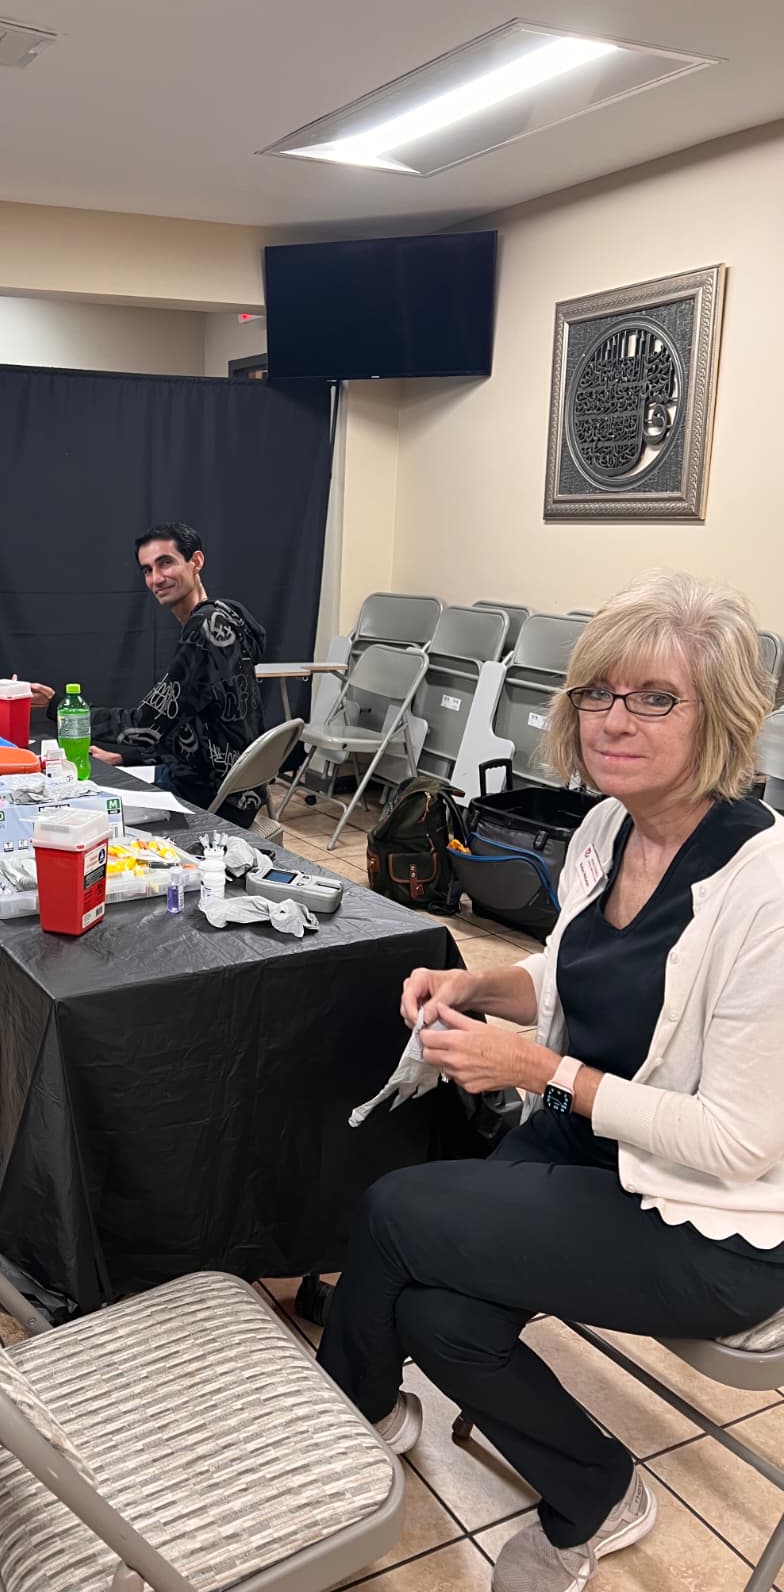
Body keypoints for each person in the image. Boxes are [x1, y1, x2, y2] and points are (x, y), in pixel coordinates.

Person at [314, 570, 784, 1592]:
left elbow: (739, 1141)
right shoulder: (612, 829)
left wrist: (542, 1071)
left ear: (721, 717)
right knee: (440, 1314)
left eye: (654, 697)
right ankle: (597, 1488)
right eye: (595, 693)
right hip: (602, 1146)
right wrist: (477, 985)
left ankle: (348, 1423)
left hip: (715, 1217)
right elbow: (571, 975)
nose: (612, 720)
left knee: (394, 1211)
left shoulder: (767, 892)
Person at [33, 524, 268, 826]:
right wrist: (127, 757)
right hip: (233, 789)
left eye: (165, 563)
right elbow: (184, 725)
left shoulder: (203, 632)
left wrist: (60, 707)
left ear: (196, 561)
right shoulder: (225, 615)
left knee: (67, 814)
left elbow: (147, 724)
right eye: (147, 570)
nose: (156, 579)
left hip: (210, 799)